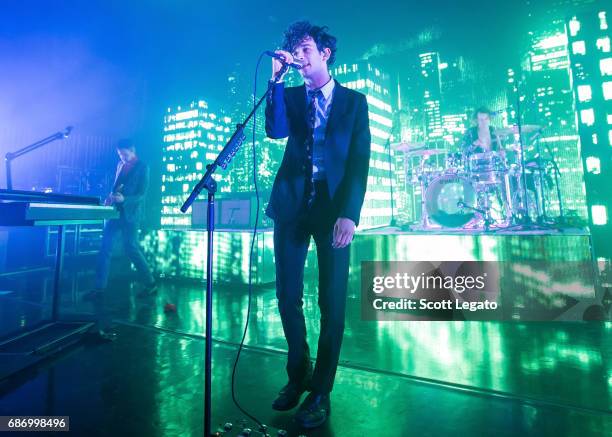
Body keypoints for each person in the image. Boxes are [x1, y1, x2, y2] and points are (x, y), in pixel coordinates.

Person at [265, 21, 371, 428]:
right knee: (287, 295)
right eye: (293, 48)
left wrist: (350, 213)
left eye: (305, 47)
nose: (298, 54)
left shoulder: (354, 102)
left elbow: (360, 162)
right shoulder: (290, 96)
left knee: (332, 302)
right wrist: (274, 82)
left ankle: (321, 391)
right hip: (293, 206)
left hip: (333, 210)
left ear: (325, 53)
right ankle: (298, 375)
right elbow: (275, 131)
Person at [87, 139, 156, 340]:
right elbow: (118, 186)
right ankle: (99, 288)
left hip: (131, 214)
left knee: (131, 248)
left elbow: (142, 195)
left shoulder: (143, 167)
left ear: (133, 151)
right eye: (119, 155)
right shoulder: (120, 165)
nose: (121, 157)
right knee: (105, 248)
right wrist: (112, 196)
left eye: (124, 154)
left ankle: (150, 283)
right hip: (115, 211)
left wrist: (125, 200)